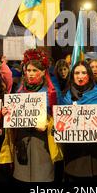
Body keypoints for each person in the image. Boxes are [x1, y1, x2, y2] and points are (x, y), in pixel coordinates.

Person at [59, 61, 97, 181]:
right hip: (74, 155)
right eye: (77, 73)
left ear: (89, 74)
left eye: (84, 72)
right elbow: (61, 122)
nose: (80, 76)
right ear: (72, 75)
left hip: (95, 155)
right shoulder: (65, 96)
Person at [12, 49, 61, 182]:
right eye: (28, 70)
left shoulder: (51, 92)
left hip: (43, 143)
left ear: (43, 72)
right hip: (22, 142)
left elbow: (61, 119)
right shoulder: (19, 91)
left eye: (35, 71)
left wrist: (48, 124)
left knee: (42, 179)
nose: (31, 74)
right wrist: (7, 113)